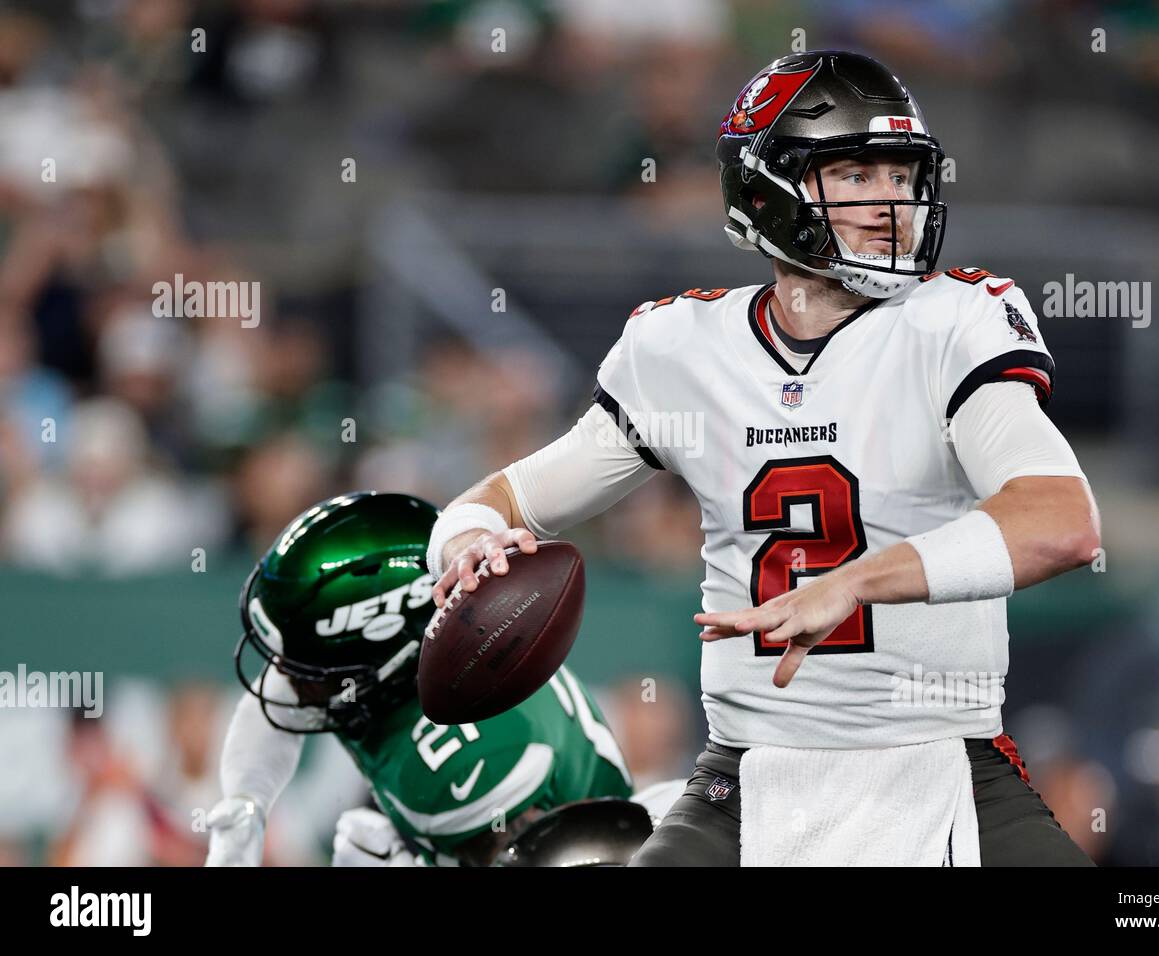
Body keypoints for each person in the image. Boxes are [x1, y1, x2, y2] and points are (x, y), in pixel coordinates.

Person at [425, 50, 1100, 866]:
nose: (891, 204)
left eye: (900, 175)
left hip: (942, 756)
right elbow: (500, 501)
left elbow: (1063, 524)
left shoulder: (957, 323)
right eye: (854, 176)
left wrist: (853, 583)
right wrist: (464, 544)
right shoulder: (681, 348)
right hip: (746, 776)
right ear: (763, 193)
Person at [205, 491, 634, 867]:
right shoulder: (389, 668)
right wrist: (246, 805)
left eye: (309, 673)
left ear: (385, 644)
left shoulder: (466, 762)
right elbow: (281, 695)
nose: (290, 684)